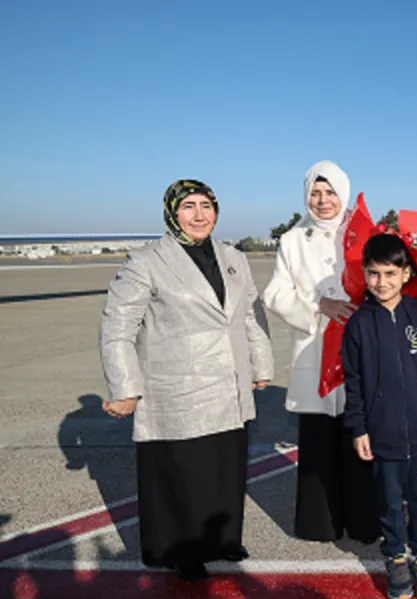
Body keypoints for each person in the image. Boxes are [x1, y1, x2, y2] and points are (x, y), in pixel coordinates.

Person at [99, 179, 273, 581]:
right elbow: (117, 326)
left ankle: (223, 538)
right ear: (171, 212)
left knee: (225, 466)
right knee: (184, 471)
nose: (199, 215)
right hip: (177, 384)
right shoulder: (147, 260)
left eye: (207, 205)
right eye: (189, 206)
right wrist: (124, 388)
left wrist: (260, 365)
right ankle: (182, 549)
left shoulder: (233, 257)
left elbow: (249, 313)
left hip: (229, 382)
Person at [262, 161, 380, 544]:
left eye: (330, 192)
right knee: (318, 443)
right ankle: (320, 523)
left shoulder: (365, 232)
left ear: (343, 193)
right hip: (314, 348)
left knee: (361, 438)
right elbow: (276, 294)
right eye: (316, 192)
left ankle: (363, 521)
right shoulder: (292, 241)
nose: (323, 200)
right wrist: (319, 305)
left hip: (359, 351)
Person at [342, 234, 417, 599]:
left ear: (406, 274)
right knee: (390, 500)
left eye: (390, 273)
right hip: (383, 433)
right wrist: (359, 428)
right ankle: (394, 555)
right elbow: (354, 383)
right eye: (374, 274)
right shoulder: (359, 324)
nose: (382, 282)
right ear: (365, 274)